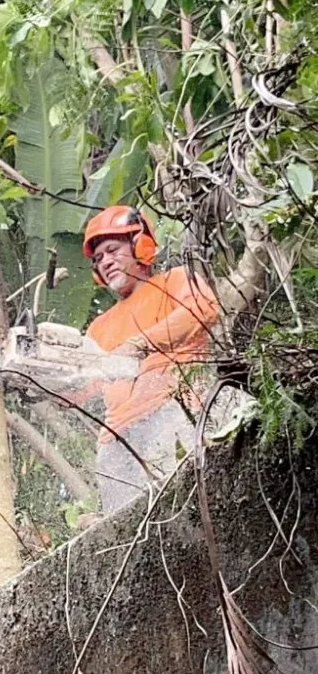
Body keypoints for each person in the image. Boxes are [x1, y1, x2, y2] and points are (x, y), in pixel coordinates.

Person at [80, 205, 219, 515]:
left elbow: (205, 310)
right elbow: (84, 385)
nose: (105, 262)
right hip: (116, 440)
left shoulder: (176, 281)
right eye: (99, 259)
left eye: (112, 250)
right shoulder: (99, 327)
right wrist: (35, 384)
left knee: (183, 509)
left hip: (173, 412)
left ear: (140, 245)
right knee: (127, 528)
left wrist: (140, 344)